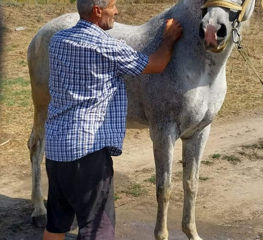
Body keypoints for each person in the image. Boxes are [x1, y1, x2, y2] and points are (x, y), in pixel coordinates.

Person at [43, 0, 182, 239]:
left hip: (56, 151)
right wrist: (169, 38)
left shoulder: (58, 41)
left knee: (56, 225)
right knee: (96, 231)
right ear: (98, 11)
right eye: (113, 6)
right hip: (88, 156)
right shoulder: (106, 47)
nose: (116, 11)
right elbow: (155, 64)